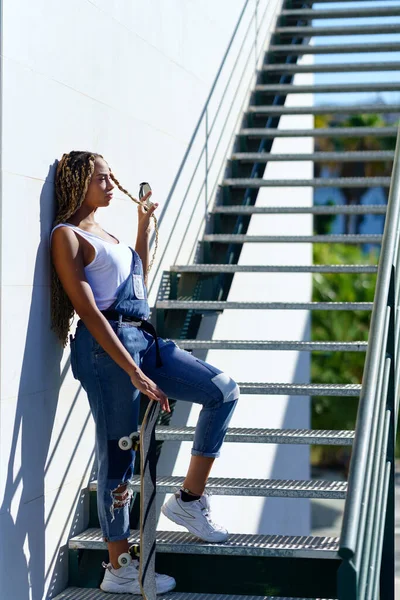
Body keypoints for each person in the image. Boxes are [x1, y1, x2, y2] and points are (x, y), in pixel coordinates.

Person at [49, 150, 240, 595]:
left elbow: (136, 281)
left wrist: (141, 227)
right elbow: (89, 311)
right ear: (78, 182)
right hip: (106, 349)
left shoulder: (107, 232)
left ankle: (189, 501)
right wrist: (132, 369)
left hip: (146, 337)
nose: (111, 184)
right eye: (102, 178)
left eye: (111, 176)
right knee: (120, 453)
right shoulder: (68, 236)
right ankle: (118, 564)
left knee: (222, 391)